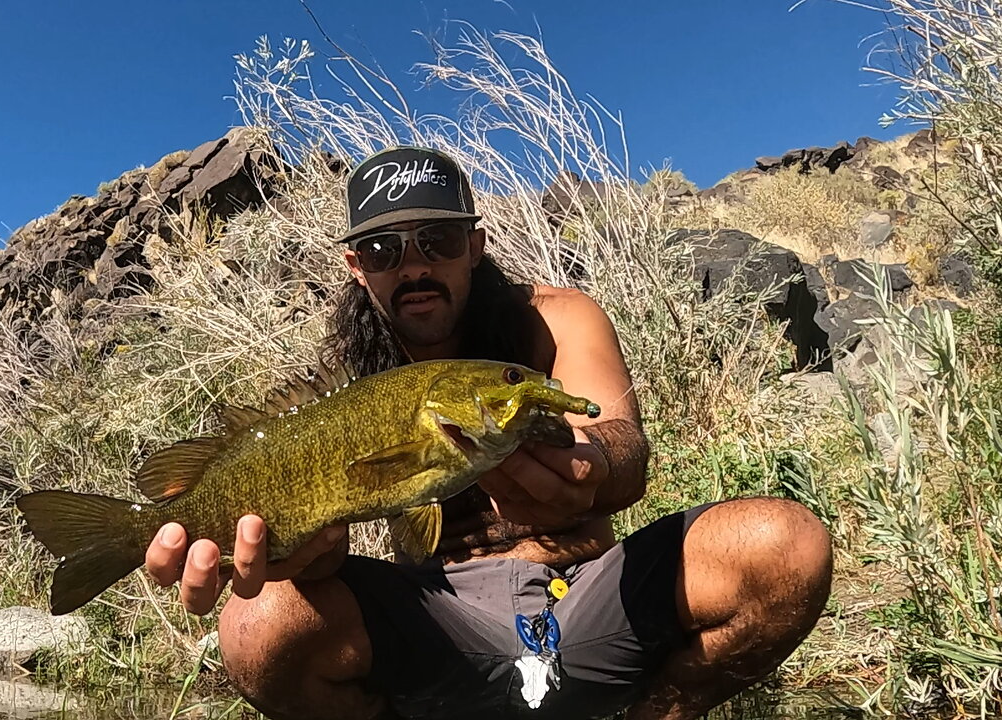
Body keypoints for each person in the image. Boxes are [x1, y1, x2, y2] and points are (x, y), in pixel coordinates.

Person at [143, 146, 834, 720]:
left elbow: (624, 448)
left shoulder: (557, 319)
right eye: (383, 249)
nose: (413, 267)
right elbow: (323, 562)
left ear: (474, 245)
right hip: (441, 621)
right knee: (257, 624)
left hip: (588, 593)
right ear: (357, 266)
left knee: (784, 544)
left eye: (437, 242)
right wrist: (301, 554)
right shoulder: (341, 386)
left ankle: (651, 713)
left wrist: (592, 466)